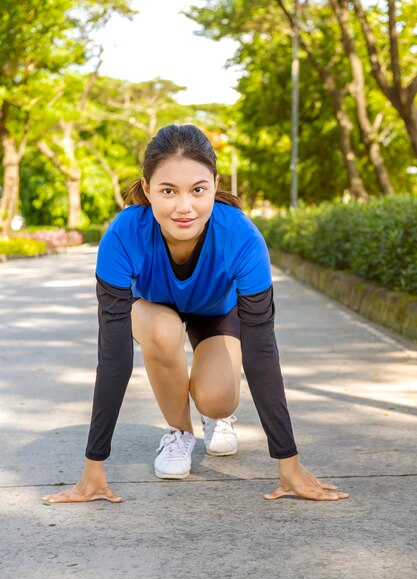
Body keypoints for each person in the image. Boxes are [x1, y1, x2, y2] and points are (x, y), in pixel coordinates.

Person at [42, 124, 349, 504]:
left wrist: (288, 463)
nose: (184, 207)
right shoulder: (123, 234)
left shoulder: (241, 236)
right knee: (162, 331)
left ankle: (216, 418)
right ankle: (179, 432)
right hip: (157, 311)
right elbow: (114, 355)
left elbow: (262, 351)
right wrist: (93, 469)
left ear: (215, 185)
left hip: (216, 313)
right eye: (168, 190)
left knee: (217, 399)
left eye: (198, 190)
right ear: (148, 187)